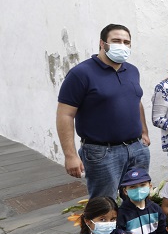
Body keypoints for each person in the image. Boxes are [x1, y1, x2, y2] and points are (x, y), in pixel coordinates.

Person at [56, 24, 151, 198]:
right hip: (102, 154)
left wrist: (144, 132)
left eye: (126, 42)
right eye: (116, 41)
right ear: (102, 43)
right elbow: (65, 114)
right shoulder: (81, 73)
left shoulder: (132, 71)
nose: (122, 45)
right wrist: (70, 155)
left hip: (137, 149)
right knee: (104, 207)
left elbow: (136, 101)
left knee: (138, 202)